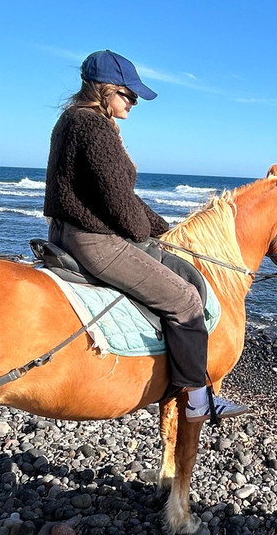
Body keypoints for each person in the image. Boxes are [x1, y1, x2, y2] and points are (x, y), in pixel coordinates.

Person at [43, 49, 248, 422]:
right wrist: (142, 232)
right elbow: (120, 204)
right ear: (105, 89)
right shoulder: (93, 126)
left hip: (71, 231)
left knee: (182, 269)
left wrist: (163, 230)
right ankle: (199, 401)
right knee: (186, 300)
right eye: (129, 94)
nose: (134, 102)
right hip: (94, 240)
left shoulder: (71, 121)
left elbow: (118, 197)